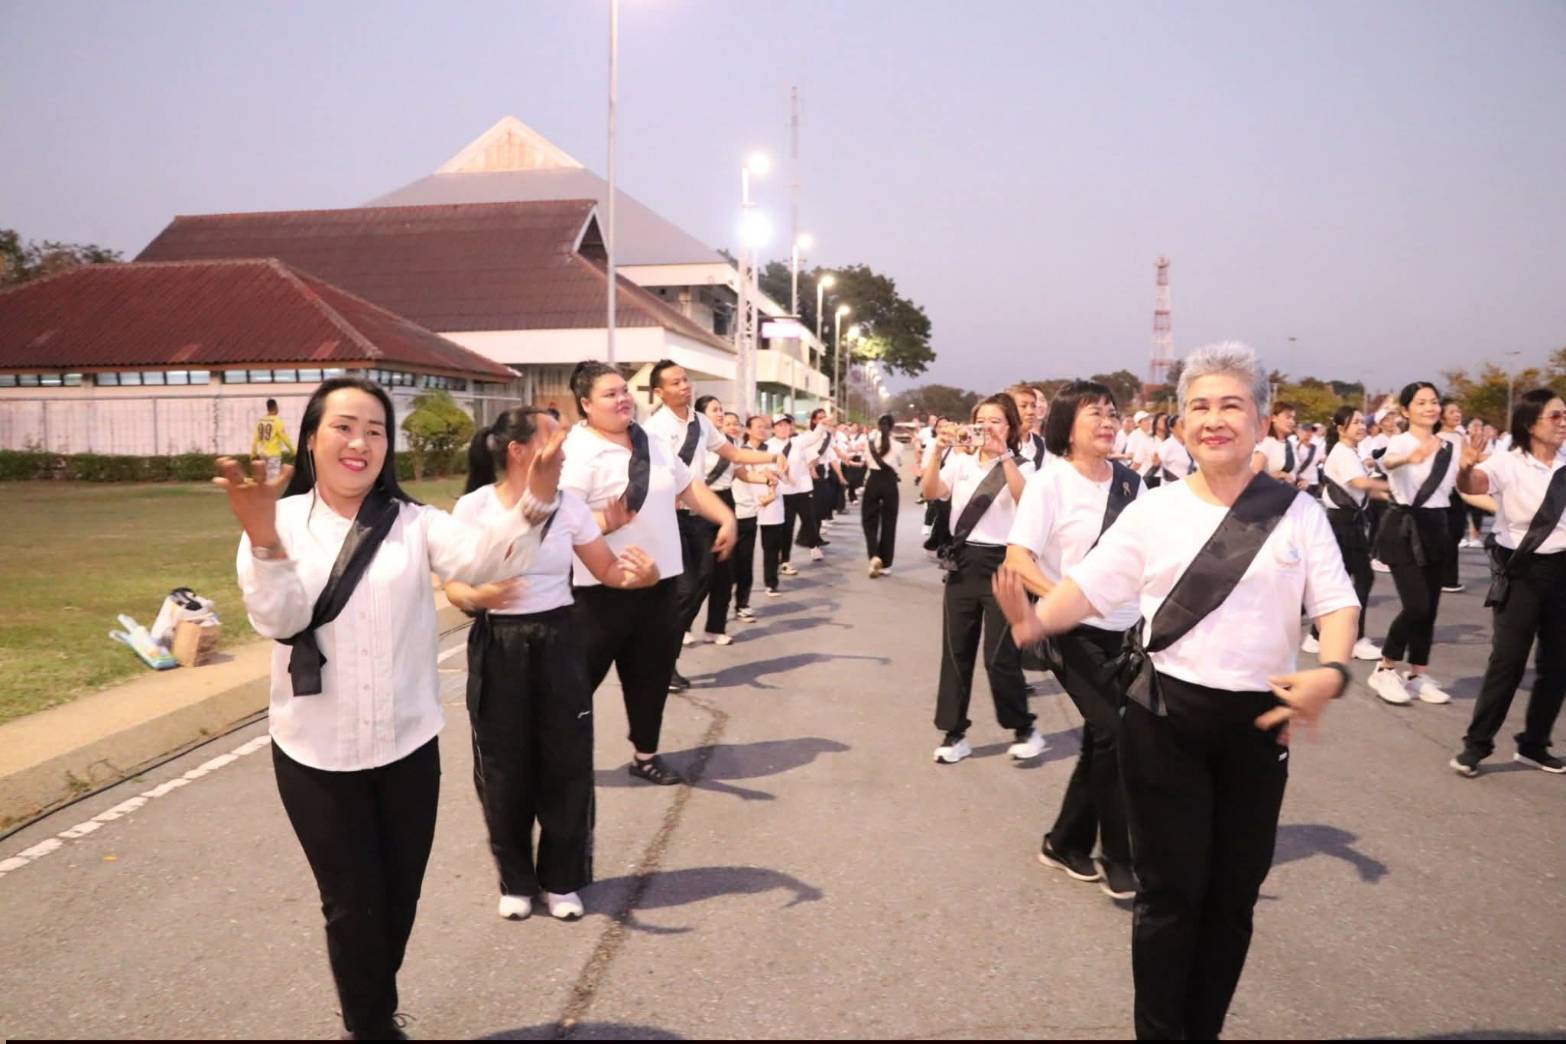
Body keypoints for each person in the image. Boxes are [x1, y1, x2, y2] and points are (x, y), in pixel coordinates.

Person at [995, 342, 1359, 1040]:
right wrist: (1033, 621)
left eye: (1231, 405)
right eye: (1199, 406)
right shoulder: (1154, 510)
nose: (1213, 419)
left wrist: (1333, 670)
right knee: (1169, 899)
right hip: (1164, 719)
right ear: (1181, 422)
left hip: (1261, 726)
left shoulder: (1297, 514)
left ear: (1260, 420)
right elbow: (1089, 590)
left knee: (1231, 901)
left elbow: (1337, 605)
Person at [221, 376, 558, 1041]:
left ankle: (371, 1001)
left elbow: (486, 557)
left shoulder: (414, 523)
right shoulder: (280, 523)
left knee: (399, 897)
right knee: (352, 903)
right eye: (344, 426)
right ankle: (371, 1026)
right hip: (315, 751)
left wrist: (535, 501)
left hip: (407, 746)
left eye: (376, 430)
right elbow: (280, 620)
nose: (360, 441)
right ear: (312, 437)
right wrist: (263, 539)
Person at [449, 408, 661, 924]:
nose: (563, 452)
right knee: (503, 767)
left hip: (561, 639)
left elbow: (607, 571)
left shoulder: (571, 508)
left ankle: (562, 880)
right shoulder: (474, 507)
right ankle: (516, 881)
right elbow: (454, 586)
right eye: (553, 441)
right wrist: (480, 595)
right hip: (499, 644)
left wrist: (644, 578)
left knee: (566, 762)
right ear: (519, 451)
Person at [561, 361, 736, 786]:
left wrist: (725, 517)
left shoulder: (651, 442)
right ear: (585, 404)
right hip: (598, 592)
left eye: (624, 390)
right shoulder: (576, 452)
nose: (623, 399)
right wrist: (605, 523)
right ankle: (557, 763)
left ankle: (645, 755)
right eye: (609, 394)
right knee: (573, 686)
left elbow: (687, 487)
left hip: (659, 586)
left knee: (651, 678)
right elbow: (560, 522)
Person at [1004, 379, 1142, 901]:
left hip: (1125, 632)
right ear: (1068, 424)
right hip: (1069, 630)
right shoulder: (1050, 483)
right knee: (1118, 732)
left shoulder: (1133, 484)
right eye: (1095, 414)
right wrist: (1070, 597)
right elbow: (1020, 560)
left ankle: (1065, 841)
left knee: (1102, 739)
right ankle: (1120, 856)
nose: (1108, 421)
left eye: (1112, 412)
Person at [920, 393, 1042, 764]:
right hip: (963, 564)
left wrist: (1003, 455)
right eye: (982, 420)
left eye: (996, 421)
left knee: (999, 657)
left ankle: (1024, 727)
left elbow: (1027, 501)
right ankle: (954, 733)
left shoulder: (1026, 465)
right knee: (955, 652)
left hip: (1004, 566)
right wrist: (936, 452)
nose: (987, 427)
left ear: (1010, 428)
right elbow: (931, 492)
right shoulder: (960, 461)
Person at [1450, 389, 1566, 777]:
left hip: (1562, 573)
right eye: (1555, 416)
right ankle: (1475, 746)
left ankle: (1534, 745)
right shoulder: (1508, 463)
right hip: (1522, 573)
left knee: (1557, 665)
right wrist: (1465, 468)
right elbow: (1474, 485)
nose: (1563, 422)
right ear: (1531, 424)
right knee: (1508, 662)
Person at [642, 364, 777, 690]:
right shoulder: (654, 428)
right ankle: (658, 660)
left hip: (700, 514)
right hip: (670, 518)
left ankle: (664, 655)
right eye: (675, 383)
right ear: (659, 392)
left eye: (685, 379)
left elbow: (730, 452)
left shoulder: (700, 422)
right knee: (684, 588)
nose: (685, 386)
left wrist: (770, 459)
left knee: (702, 581)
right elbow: (652, 472)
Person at [1366, 381, 1460, 706]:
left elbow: (1456, 488)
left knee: (1430, 609)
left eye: (1434, 402)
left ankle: (1418, 674)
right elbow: (1386, 463)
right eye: (1421, 403)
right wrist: (1410, 458)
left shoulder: (1449, 445)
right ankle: (1385, 667)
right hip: (1403, 529)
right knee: (1416, 605)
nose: (1430, 408)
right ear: (1406, 410)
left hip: (1437, 527)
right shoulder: (1400, 442)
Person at [1308, 406, 1390, 661]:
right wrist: (1394, 487)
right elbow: (1359, 483)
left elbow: (1362, 488)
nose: (1360, 426)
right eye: (1354, 422)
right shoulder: (1343, 453)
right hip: (1343, 524)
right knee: (1362, 578)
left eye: (1361, 421)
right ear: (1341, 428)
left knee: (1340, 581)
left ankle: (1316, 635)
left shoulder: (1351, 452)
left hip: (1349, 523)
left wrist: (1391, 495)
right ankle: (1354, 638)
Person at [703, 407, 774, 642]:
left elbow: (743, 474)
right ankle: (683, 627)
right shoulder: (701, 444)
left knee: (727, 572)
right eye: (724, 418)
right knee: (701, 575)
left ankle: (716, 627)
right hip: (703, 504)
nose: (731, 425)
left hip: (728, 504)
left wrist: (766, 478)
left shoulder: (731, 447)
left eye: (736, 423)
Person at [768, 414, 825, 569]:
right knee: (787, 527)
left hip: (802, 490)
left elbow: (814, 437)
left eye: (786, 425)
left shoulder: (797, 441)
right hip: (783, 492)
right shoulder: (768, 446)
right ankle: (785, 560)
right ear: (773, 428)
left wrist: (821, 424)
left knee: (809, 520)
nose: (784, 428)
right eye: (779, 425)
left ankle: (814, 546)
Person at [862, 413, 904, 578]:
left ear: (878, 425)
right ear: (892, 426)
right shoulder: (898, 445)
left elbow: (866, 461)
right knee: (889, 522)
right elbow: (899, 463)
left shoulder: (869, 444)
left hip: (873, 480)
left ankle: (874, 555)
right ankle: (886, 564)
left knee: (869, 520)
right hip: (890, 483)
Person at [751, 415, 789, 598]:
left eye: (764, 427)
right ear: (748, 430)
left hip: (771, 504)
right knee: (743, 552)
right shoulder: (740, 450)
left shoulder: (773, 449)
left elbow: (783, 471)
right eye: (758, 427)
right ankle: (739, 584)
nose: (762, 430)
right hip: (748, 505)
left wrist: (776, 472)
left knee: (771, 546)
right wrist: (762, 472)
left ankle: (771, 582)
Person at [1437, 398, 1469, 593]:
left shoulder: (1460, 436)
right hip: (1443, 491)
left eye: (1458, 411)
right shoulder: (1437, 438)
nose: (1457, 414)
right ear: (1441, 417)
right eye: (1452, 412)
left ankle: (1445, 576)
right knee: (1447, 535)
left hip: (1460, 490)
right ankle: (1447, 579)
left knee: (1456, 532)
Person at [1252, 400, 1299, 481]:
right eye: (1288, 417)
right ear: (1274, 418)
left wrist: (1301, 480)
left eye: (1293, 418)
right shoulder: (1266, 443)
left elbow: (1293, 473)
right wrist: (1276, 475)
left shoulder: (1291, 445)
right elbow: (1254, 474)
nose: (1292, 422)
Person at [252, 397, 296, 481]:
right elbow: (285, 438)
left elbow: (255, 439)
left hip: (262, 453)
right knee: (273, 478)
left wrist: (253, 453)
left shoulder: (261, 421)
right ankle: (271, 494)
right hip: (273, 454)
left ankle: (264, 493)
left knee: (264, 478)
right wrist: (293, 451)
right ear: (275, 407)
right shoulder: (277, 421)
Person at [1009, 383, 1049, 470]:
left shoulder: (1044, 446)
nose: (1030, 412)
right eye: (1023, 406)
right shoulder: (999, 447)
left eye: (1033, 406)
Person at [1157, 413, 1193, 483]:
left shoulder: (1190, 445)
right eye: (1181, 425)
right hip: (1172, 487)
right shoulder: (1167, 445)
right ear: (1172, 429)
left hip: (1189, 486)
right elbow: (1159, 467)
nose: (1185, 428)